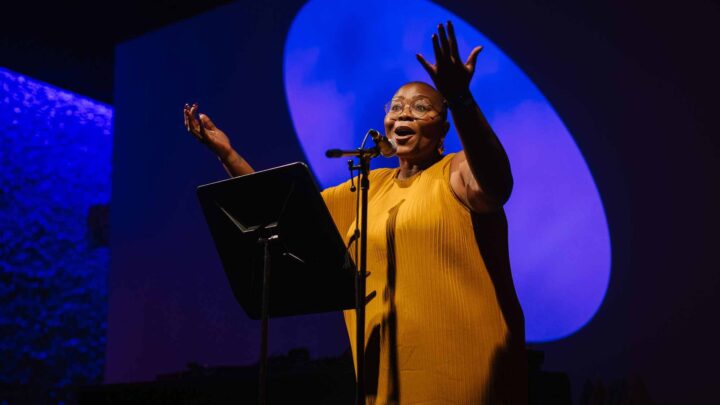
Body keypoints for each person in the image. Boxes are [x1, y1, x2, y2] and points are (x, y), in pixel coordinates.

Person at [184, 21, 527, 404]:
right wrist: (227, 155)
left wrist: (461, 99)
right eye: (396, 107)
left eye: (421, 108)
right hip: (384, 374)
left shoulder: (458, 171)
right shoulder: (367, 187)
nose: (404, 116)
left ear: (442, 129)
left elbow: (497, 184)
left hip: (466, 369)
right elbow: (283, 210)